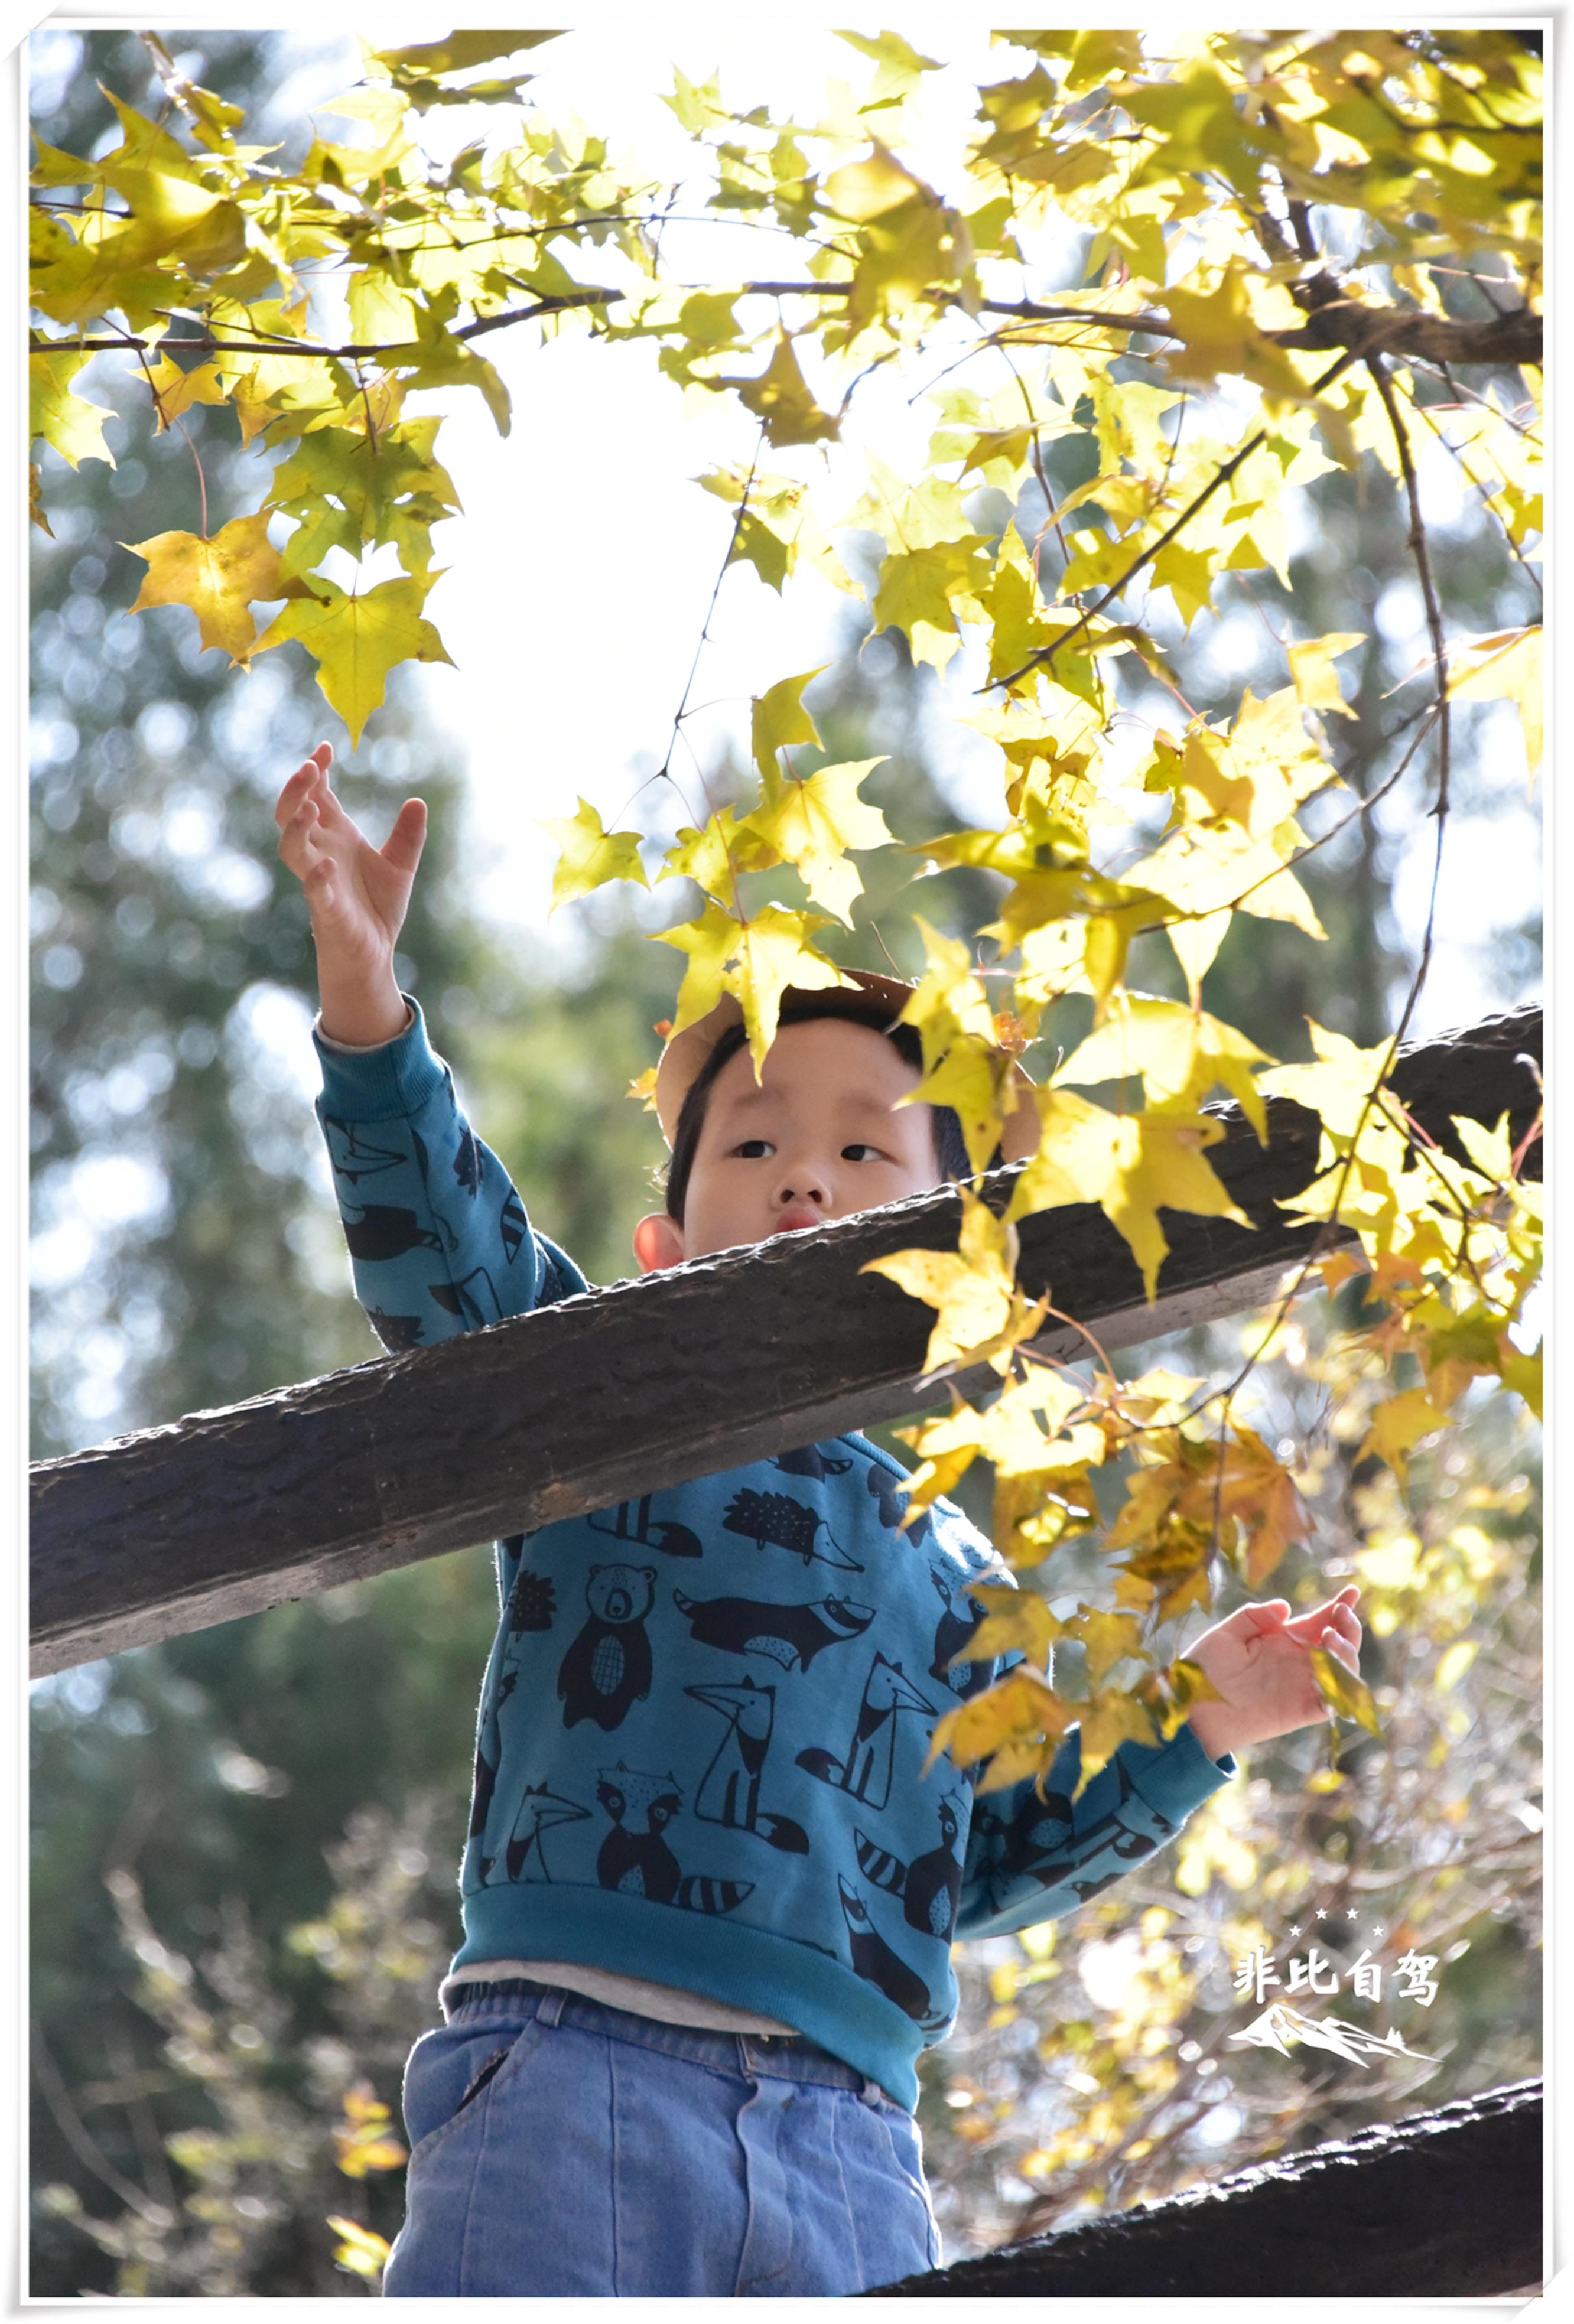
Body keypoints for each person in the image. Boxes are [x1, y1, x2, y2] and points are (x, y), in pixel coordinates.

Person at [275, 741, 1365, 2298]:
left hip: (850, 2137)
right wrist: (370, 1005)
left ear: (960, 1270)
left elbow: (986, 1853)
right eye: (759, 1145)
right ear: (662, 1246)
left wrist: (1198, 1722)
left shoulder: (963, 1573)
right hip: (570, 2070)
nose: (808, 1177)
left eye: (868, 1151)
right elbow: (447, 1261)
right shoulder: (612, 1398)